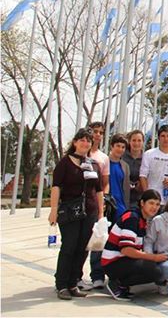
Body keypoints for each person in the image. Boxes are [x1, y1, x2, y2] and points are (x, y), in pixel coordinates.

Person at [49, 128, 104, 300]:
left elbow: (99, 190)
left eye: (88, 140)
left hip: (90, 210)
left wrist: (101, 213)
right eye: (82, 140)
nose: (85, 143)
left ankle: (73, 282)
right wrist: (53, 211)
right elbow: (56, 186)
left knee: (82, 248)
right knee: (69, 246)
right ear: (75, 142)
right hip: (70, 211)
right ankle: (62, 284)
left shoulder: (94, 164)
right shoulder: (65, 163)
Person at [102, 189, 167, 301]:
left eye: (157, 204)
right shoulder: (132, 218)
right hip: (113, 263)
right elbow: (126, 250)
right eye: (151, 203)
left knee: (155, 268)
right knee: (153, 270)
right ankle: (117, 283)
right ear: (142, 203)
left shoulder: (142, 219)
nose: (154, 207)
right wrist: (153, 257)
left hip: (124, 261)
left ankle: (122, 285)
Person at [85, 121, 111, 290]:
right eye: (95, 131)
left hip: (96, 203)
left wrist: (103, 201)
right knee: (77, 243)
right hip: (79, 204)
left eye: (101, 132)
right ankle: (74, 276)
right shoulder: (79, 154)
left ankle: (97, 275)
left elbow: (104, 183)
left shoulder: (103, 158)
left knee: (97, 240)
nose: (98, 135)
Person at [140, 124, 168, 205]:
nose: (166, 139)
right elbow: (143, 176)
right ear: (158, 138)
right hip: (152, 200)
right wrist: (147, 195)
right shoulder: (149, 154)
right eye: (163, 136)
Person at [107, 134, 131, 222]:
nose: (120, 149)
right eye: (118, 146)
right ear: (112, 146)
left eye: (123, 147)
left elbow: (126, 189)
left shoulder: (125, 166)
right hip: (106, 203)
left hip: (120, 205)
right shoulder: (104, 162)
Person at [122, 129, 145, 206]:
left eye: (139, 141)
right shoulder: (122, 157)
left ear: (143, 142)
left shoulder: (146, 158)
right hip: (123, 195)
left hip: (139, 197)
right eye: (134, 140)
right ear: (129, 141)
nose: (136, 143)